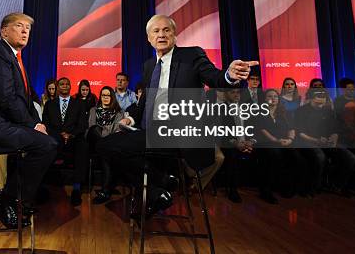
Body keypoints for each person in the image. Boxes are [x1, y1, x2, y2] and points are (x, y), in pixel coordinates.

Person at [96, 14, 257, 217]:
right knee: (105, 145)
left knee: (127, 153)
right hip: (151, 132)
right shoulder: (148, 66)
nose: (161, 34)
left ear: (175, 35)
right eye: (156, 31)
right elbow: (145, 101)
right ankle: (159, 188)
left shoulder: (192, 56)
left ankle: (158, 186)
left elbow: (214, 77)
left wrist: (229, 75)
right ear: (149, 38)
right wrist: (131, 118)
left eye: (166, 30)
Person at [0, 13, 58, 229]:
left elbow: (26, 98)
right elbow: (5, 98)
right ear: (4, 31)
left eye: (28, 28)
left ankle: (21, 198)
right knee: (46, 145)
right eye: (19, 26)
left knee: (52, 141)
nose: (25, 31)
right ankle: (7, 202)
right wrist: (32, 125)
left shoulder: (14, 58)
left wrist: (38, 123)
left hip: (4, 124)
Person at [294, 89, 355, 196]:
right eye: (318, 97)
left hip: (326, 142)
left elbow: (335, 129)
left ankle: (336, 185)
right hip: (307, 142)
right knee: (320, 157)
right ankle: (313, 187)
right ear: (311, 98)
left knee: (351, 158)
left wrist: (334, 137)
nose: (321, 99)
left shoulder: (329, 111)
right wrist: (316, 140)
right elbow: (300, 133)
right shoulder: (301, 111)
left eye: (323, 97)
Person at [43, 77, 89, 206]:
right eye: (61, 84)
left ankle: (76, 188)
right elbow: (46, 124)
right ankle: (43, 187)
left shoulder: (79, 103)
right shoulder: (49, 104)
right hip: (55, 138)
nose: (64, 86)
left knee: (83, 146)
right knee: (44, 146)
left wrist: (71, 134)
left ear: (70, 86)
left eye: (67, 84)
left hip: (74, 138)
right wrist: (60, 135)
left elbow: (82, 124)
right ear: (58, 87)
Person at [256, 89, 306, 199]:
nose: (273, 98)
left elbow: (291, 128)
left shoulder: (284, 112)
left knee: (296, 157)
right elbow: (262, 129)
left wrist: (290, 139)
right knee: (275, 155)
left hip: (284, 141)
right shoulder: (259, 112)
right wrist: (275, 140)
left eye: (275, 96)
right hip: (266, 142)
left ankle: (288, 187)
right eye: (270, 96)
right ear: (265, 99)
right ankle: (266, 190)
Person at [88, 86, 132, 204]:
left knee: (106, 152)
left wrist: (105, 132)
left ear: (112, 97)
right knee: (95, 130)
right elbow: (91, 127)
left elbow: (117, 130)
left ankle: (105, 191)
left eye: (108, 95)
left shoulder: (119, 112)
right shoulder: (93, 110)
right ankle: (106, 190)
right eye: (103, 95)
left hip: (110, 144)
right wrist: (106, 131)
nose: (105, 98)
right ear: (100, 97)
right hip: (95, 142)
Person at [220, 88, 259, 203]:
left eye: (238, 92)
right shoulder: (221, 108)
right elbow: (220, 131)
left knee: (267, 152)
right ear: (226, 94)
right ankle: (233, 190)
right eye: (232, 92)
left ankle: (265, 189)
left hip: (247, 141)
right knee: (232, 155)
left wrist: (251, 141)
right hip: (230, 142)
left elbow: (255, 128)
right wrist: (236, 143)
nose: (236, 95)